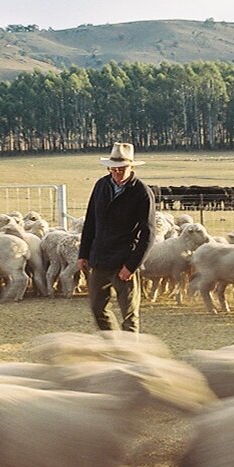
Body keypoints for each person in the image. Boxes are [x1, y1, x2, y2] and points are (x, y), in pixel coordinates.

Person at [77, 141, 158, 333]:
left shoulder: (142, 192)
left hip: (124, 261)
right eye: (113, 169)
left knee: (129, 314)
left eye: (121, 169)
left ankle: (130, 348)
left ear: (131, 167)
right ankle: (112, 343)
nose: (116, 173)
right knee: (97, 309)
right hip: (99, 259)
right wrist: (83, 254)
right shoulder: (101, 186)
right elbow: (91, 221)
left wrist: (131, 266)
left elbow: (148, 233)